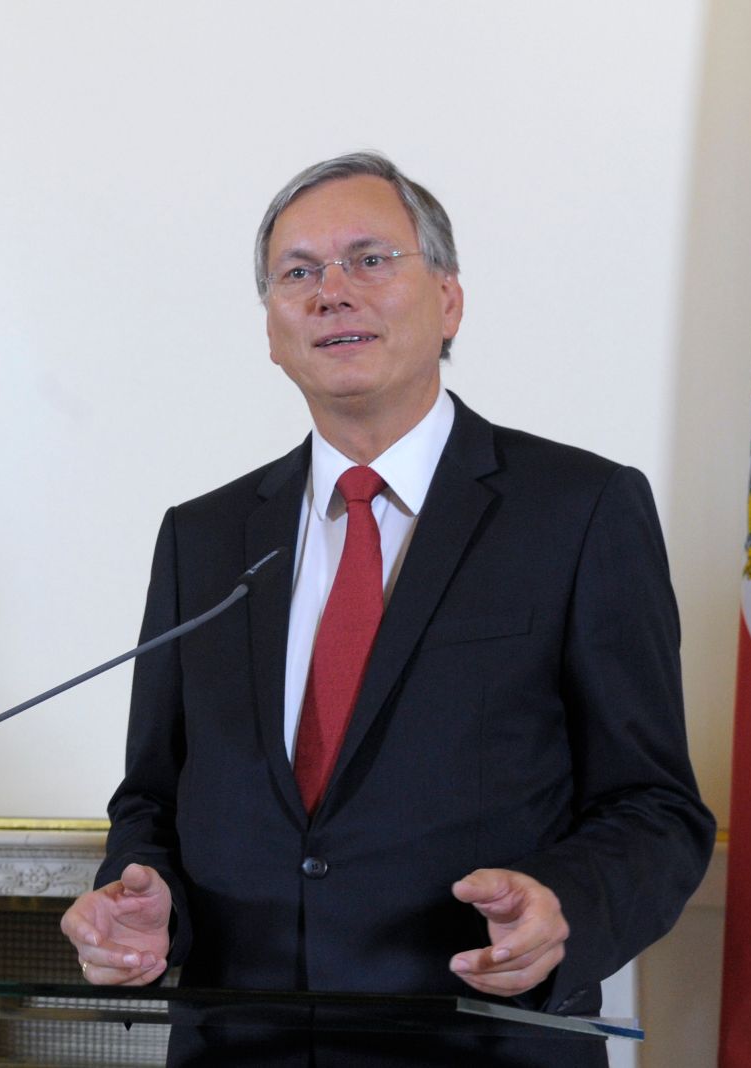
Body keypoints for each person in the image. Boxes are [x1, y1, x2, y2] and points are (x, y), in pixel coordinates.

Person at [59, 153, 714, 1066]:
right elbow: (154, 797)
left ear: (448, 300)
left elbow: (654, 807)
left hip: (477, 1046)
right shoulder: (202, 538)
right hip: (240, 1048)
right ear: (272, 331)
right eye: (298, 273)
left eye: (370, 260)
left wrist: (562, 905)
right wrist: (144, 894)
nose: (332, 292)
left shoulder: (580, 510)